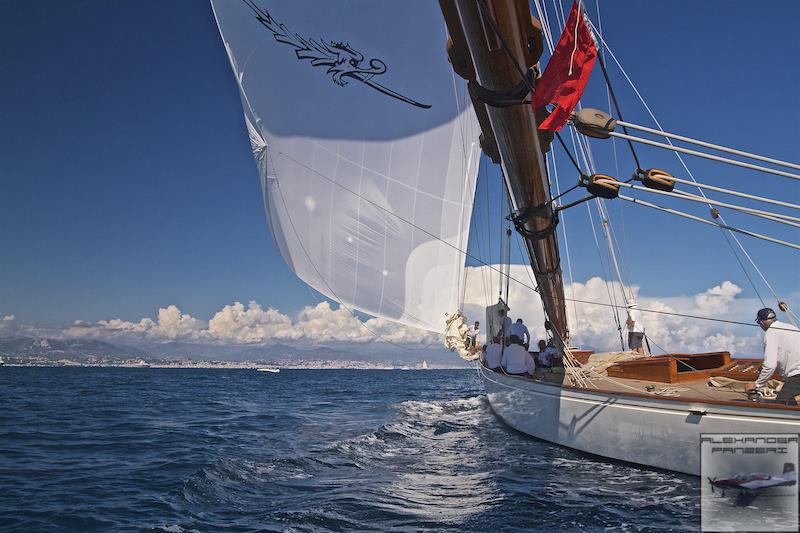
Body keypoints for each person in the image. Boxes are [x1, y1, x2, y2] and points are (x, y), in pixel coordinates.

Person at [745, 308, 800, 404]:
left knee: (782, 403)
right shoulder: (792, 328)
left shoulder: (770, 333)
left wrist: (757, 384)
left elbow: (770, 365)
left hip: (797, 375)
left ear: (761, 322)